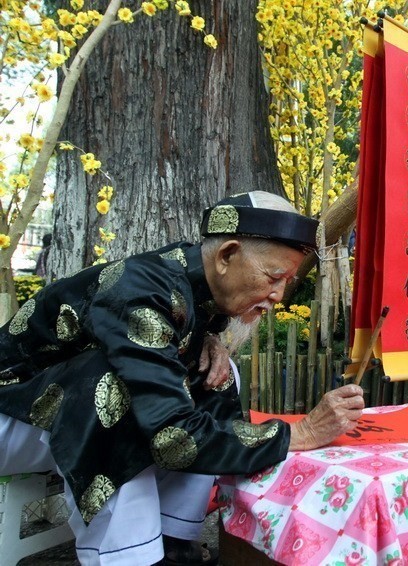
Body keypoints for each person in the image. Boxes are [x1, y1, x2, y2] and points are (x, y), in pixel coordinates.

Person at [0, 191, 365, 566]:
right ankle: (130, 556)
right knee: (117, 392)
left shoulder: (194, 287)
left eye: (286, 281)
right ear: (227, 256)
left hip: (46, 415)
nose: (279, 296)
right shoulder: (141, 291)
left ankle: (175, 539)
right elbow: (170, 437)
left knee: (218, 372)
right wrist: (296, 435)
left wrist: (208, 340)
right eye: (274, 277)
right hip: (10, 411)